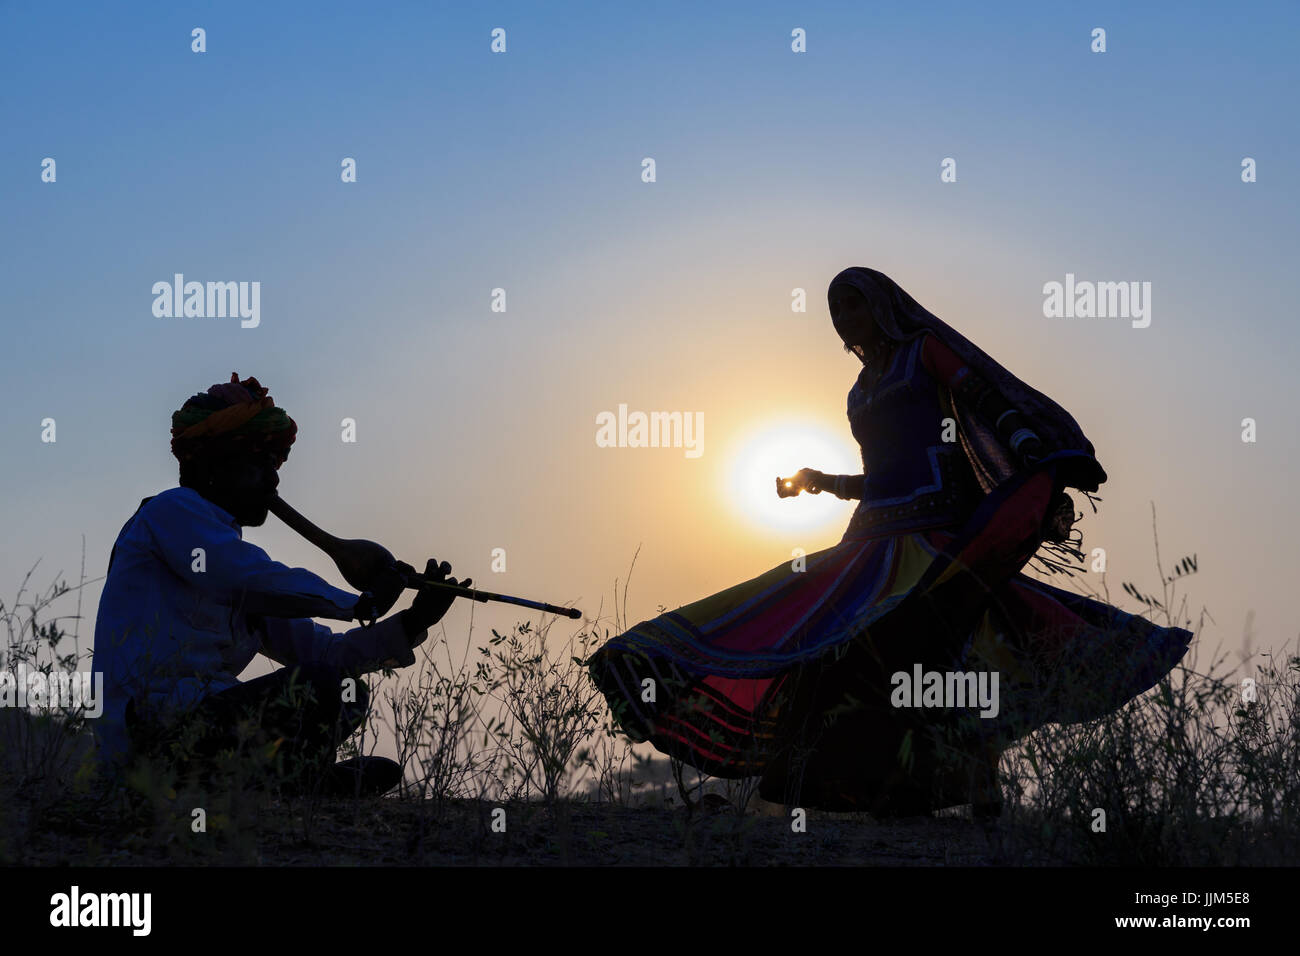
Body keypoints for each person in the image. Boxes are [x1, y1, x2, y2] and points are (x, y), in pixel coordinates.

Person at [588, 267, 1193, 817]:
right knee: (832, 648)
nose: (843, 318)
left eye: (852, 304)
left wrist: (1032, 447)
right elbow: (883, 474)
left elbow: (983, 396)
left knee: (952, 651)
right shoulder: (859, 388)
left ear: (881, 305)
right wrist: (824, 482)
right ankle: (888, 790)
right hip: (869, 539)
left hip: (937, 534)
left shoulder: (922, 352)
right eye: (835, 310)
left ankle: (977, 790)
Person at [92, 373, 469, 798]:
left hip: (203, 725)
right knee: (323, 687)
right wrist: (359, 603)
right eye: (259, 465)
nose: (273, 481)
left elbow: (325, 651)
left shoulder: (243, 576)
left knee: (343, 690)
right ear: (213, 466)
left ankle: (282, 785)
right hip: (148, 733)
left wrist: (412, 621)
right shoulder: (171, 513)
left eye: (275, 467)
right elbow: (247, 574)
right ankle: (295, 785)